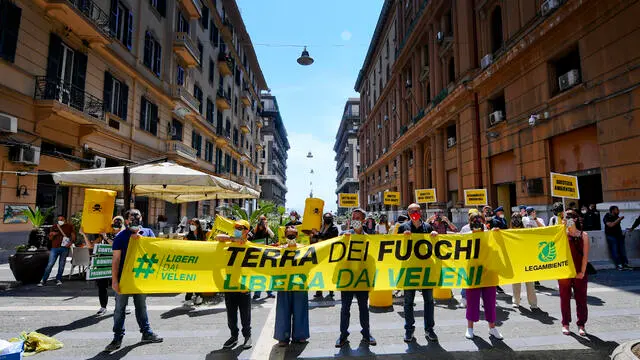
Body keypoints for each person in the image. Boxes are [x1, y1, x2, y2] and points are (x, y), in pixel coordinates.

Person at [105, 209, 162, 352]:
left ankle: (146, 332)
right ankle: (117, 337)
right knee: (120, 309)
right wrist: (114, 280)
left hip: (141, 278)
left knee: (141, 306)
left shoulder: (148, 233)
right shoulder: (120, 237)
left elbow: (157, 252)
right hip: (124, 278)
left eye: (137, 217)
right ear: (126, 221)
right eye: (131, 218)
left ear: (142, 218)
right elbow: (116, 260)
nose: (135, 220)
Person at [399, 203, 439, 343]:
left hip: (425, 269)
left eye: (416, 210)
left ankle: (429, 330)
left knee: (429, 301)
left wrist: (435, 236)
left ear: (420, 212)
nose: (414, 213)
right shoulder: (402, 228)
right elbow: (396, 248)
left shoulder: (428, 228)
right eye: (411, 211)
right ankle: (409, 330)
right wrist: (402, 238)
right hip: (409, 269)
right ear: (408, 213)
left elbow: (434, 247)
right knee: (408, 301)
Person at [336, 208, 376, 348]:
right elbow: (337, 254)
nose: (356, 221)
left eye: (358, 218)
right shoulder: (344, 235)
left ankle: (366, 333)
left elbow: (373, 257)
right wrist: (344, 241)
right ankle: (343, 335)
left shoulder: (370, 237)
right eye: (353, 218)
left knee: (363, 308)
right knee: (345, 308)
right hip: (347, 278)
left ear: (364, 221)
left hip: (362, 278)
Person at [464, 211, 503, 341]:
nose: (477, 221)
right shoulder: (466, 232)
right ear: (470, 222)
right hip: (473, 272)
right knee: (472, 301)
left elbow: (497, 247)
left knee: (490, 301)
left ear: (483, 221)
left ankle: (492, 328)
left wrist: (497, 234)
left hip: (489, 271)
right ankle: (470, 328)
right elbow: (453, 242)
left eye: (479, 219)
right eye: (474, 219)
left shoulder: (489, 233)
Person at [216, 220, 253, 349]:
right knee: (231, 314)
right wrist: (234, 239)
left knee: (245, 314)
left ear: (246, 230)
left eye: (240, 228)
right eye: (236, 227)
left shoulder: (250, 246)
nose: (237, 229)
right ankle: (233, 336)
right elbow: (217, 237)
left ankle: (247, 336)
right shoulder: (229, 242)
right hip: (230, 284)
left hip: (244, 285)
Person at [79, 216, 123, 315]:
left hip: (117, 265)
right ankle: (103, 307)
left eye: (119, 223)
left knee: (119, 286)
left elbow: (115, 245)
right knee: (102, 287)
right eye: (114, 223)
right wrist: (84, 235)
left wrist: (105, 237)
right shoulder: (103, 235)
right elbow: (90, 246)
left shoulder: (123, 235)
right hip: (103, 265)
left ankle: (121, 305)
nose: (116, 225)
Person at [274, 226, 310, 346]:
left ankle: (300, 335)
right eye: (289, 235)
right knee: (283, 310)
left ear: (297, 236)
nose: (291, 237)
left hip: (299, 283)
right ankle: (282, 337)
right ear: (285, 236)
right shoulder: (279, 249)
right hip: (284, 283)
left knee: (300, 309)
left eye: (293, 235)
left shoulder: (304, 249)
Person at [559, 210, 590, 336]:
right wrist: (561, 228)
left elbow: (585, 256)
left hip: (579, 271)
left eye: (569, 217)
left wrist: (582, 271)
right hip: (564, 272)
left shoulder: (584, 235)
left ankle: (581, 324)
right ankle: (565, 323)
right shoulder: (561, 234)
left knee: (581, 299)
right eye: (564, 217)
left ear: (575, 219)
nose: (566, 219)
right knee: (564, 298)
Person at [509, 213, 539, 311]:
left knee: (530, 284)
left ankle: (533, 303)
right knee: (516, 283)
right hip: (515, 261)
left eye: (518, 218)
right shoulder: (508, 232)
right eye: (514, 218)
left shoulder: (527, 231)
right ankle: (515, 302)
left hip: (527, 260)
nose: (516, 220)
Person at [38, 215, 76, 286]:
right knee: (50, 264)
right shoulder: (54, 226)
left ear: (65, 220)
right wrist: (52, 234)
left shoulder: (69, 226)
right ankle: (43, 280)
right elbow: (50, 238)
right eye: (59, 219)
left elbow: (73, 236)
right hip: (54, 248)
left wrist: (70, 243)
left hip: (64, 248)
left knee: (61, 265)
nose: (60, 221)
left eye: (62, 219)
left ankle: (58, 279)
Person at [310, 212, 339, 299]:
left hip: (329, 253)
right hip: (319, 252)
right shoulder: (321, 227)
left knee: (329, 272)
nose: (327, 219)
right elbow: (318, 238)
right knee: (319, 272)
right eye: (325, 218)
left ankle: (331, 290)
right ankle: (319, 291)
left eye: (328, 218)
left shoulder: (334, 228)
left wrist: (317, 234)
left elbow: (328, 237)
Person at [251, 216, 276, 300]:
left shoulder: (267, 230)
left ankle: (269, 292)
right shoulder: (255, 230)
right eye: (262, 221)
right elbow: (248, 237)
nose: (263, 223)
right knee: (258, 274)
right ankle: (257, 293)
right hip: (257, 254)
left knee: (267, 274)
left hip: (266, 254)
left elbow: (273, 235)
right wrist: (257, 227)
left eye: (264, 221)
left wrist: (266, 227)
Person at [184, 218, 206, 306]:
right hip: (190, 261)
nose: (191, 225)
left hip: (200, 261)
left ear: (197, 225)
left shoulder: (202, 235)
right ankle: (188, 297)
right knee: (190, 279)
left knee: (198, 279)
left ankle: (198, 296)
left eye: (193, 224)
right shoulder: (188, 236)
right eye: (191, 224)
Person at [603, 206, 631, 270]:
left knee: (622, 250)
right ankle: (619, 265)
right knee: (615, 250)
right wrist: (619, 219)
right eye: (617, 210)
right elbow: (611, 225)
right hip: (611, 236)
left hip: (619, 235)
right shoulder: (607, 217)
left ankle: (625, 264)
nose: (618, 211)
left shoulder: (616, 216)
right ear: (613, 211)